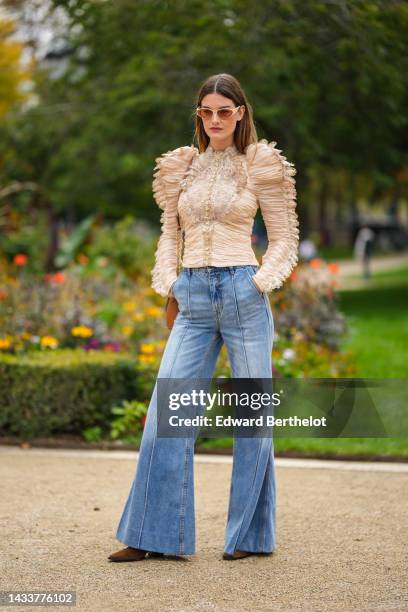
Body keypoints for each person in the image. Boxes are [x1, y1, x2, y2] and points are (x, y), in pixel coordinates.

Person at [108, 73, 299, 563]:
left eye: (224, 111)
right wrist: (169, 283)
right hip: (192, 296)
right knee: (167, 415)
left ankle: (250, 537)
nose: (215, 120)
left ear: (240, 113)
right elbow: (170, 235)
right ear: (199, 115)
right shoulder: (182, 168)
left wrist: (259, 283)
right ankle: (154, 537)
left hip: (243, 292)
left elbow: (283, 239)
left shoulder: (260, 164)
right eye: (206, 111)